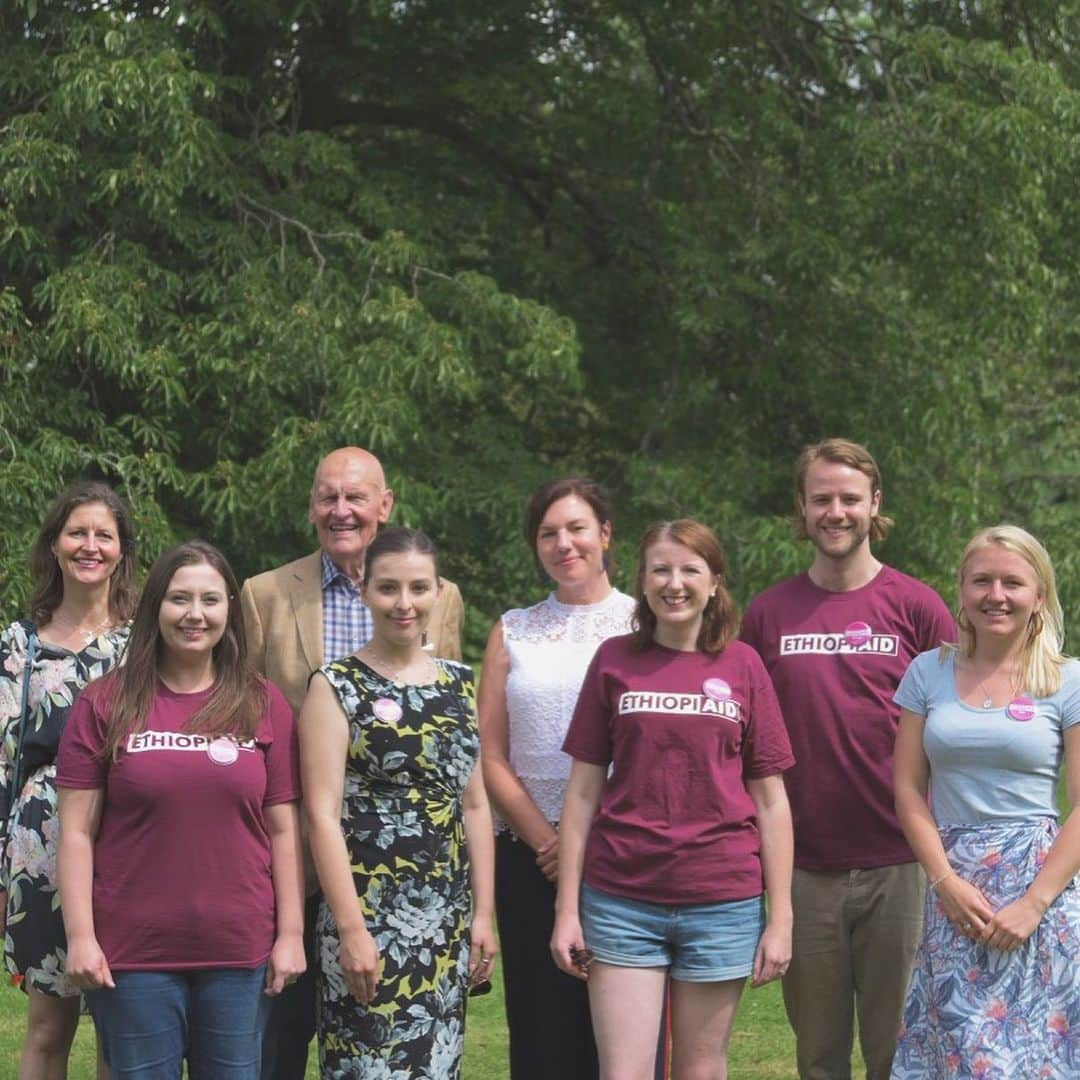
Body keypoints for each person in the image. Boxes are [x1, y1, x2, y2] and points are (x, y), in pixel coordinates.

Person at [240, 446, 464, 1079]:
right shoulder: (262, 596)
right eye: (327, 496)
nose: (341, 510)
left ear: (384, 505)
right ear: (311, 506)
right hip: (290, 864)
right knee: (275, 1046)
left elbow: (439, 723)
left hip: (396, 881)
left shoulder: (439, 598)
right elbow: (241, 718)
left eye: (356, 496)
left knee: (384, 1045)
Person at [740, 437, 954, 1080]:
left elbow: (959, 719)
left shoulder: (917, 606)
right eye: (821, 499)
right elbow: (745, 741)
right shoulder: (769, 613)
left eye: (850, 499)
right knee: (820, 1056)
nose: (836, 512)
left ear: (874, 505)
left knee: (902, 1051)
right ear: (802, 511)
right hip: (801, 868)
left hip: (901, 862)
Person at [551, 519, 795, 1079]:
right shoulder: (614, 660)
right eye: (661, 569)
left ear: (714, 583)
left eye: (690, 570)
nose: (675, 583)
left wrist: (779, 917)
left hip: (722, 900)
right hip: (621, 900)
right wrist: (567, 910)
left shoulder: (744, 665)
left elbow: (772, 800)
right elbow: (583, 793)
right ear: (642, 581)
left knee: (700, 1069)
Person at [56, 540, 306, 1079]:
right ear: (156, 608)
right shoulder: (105, 702)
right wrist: (80, 936)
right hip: (134, 955)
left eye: (210, 600)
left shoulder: (263, 703)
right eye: (180, 599)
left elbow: (284, 830)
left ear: (229, 612)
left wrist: (290, 934)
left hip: (240, 954)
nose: (195, 614)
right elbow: (75, 830)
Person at [301, 526, 496, 1078]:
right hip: (368, 919)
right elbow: (322, 815)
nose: (403, 603)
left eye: (418, 588)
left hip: (444, 923)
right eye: (388, 588)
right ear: (364, 590)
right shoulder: (335, 686)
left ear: (438, 592)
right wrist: (352, 929)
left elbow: (475, 805)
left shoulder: (460, 684)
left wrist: (483, 914)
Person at [891, 525, 1080, 1076]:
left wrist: (1035, 903)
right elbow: (907, 788)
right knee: (963, 1050)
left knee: (1041, 1056)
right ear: (962, 591)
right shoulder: (928, 672)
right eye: (982, 581)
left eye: (1013, 583)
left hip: (1041, 888)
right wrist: (945, 883)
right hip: (956, 890)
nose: (996, 595)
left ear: (1038, 595)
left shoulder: (1067, 680)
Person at [478, 477, 635, 1079]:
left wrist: (589, 845)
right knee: (544, 1034)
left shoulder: (643, 623)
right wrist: (552, 844)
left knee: (623, 1034)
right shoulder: (513, 630)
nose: (564, 543)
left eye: (576, 528)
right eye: (548, 533)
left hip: (624, 854)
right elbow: (491, 754)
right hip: (529, 857)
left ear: (605, 534)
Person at [0, 480, 136, 1080]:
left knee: (124, 1026)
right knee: (49, 1029)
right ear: (54, 544)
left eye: (103, 535)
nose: (89, 546)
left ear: (121, 549)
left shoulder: (146, 644)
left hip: (132, 839)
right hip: (42, 844)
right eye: (76, 532)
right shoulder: (18, 645)